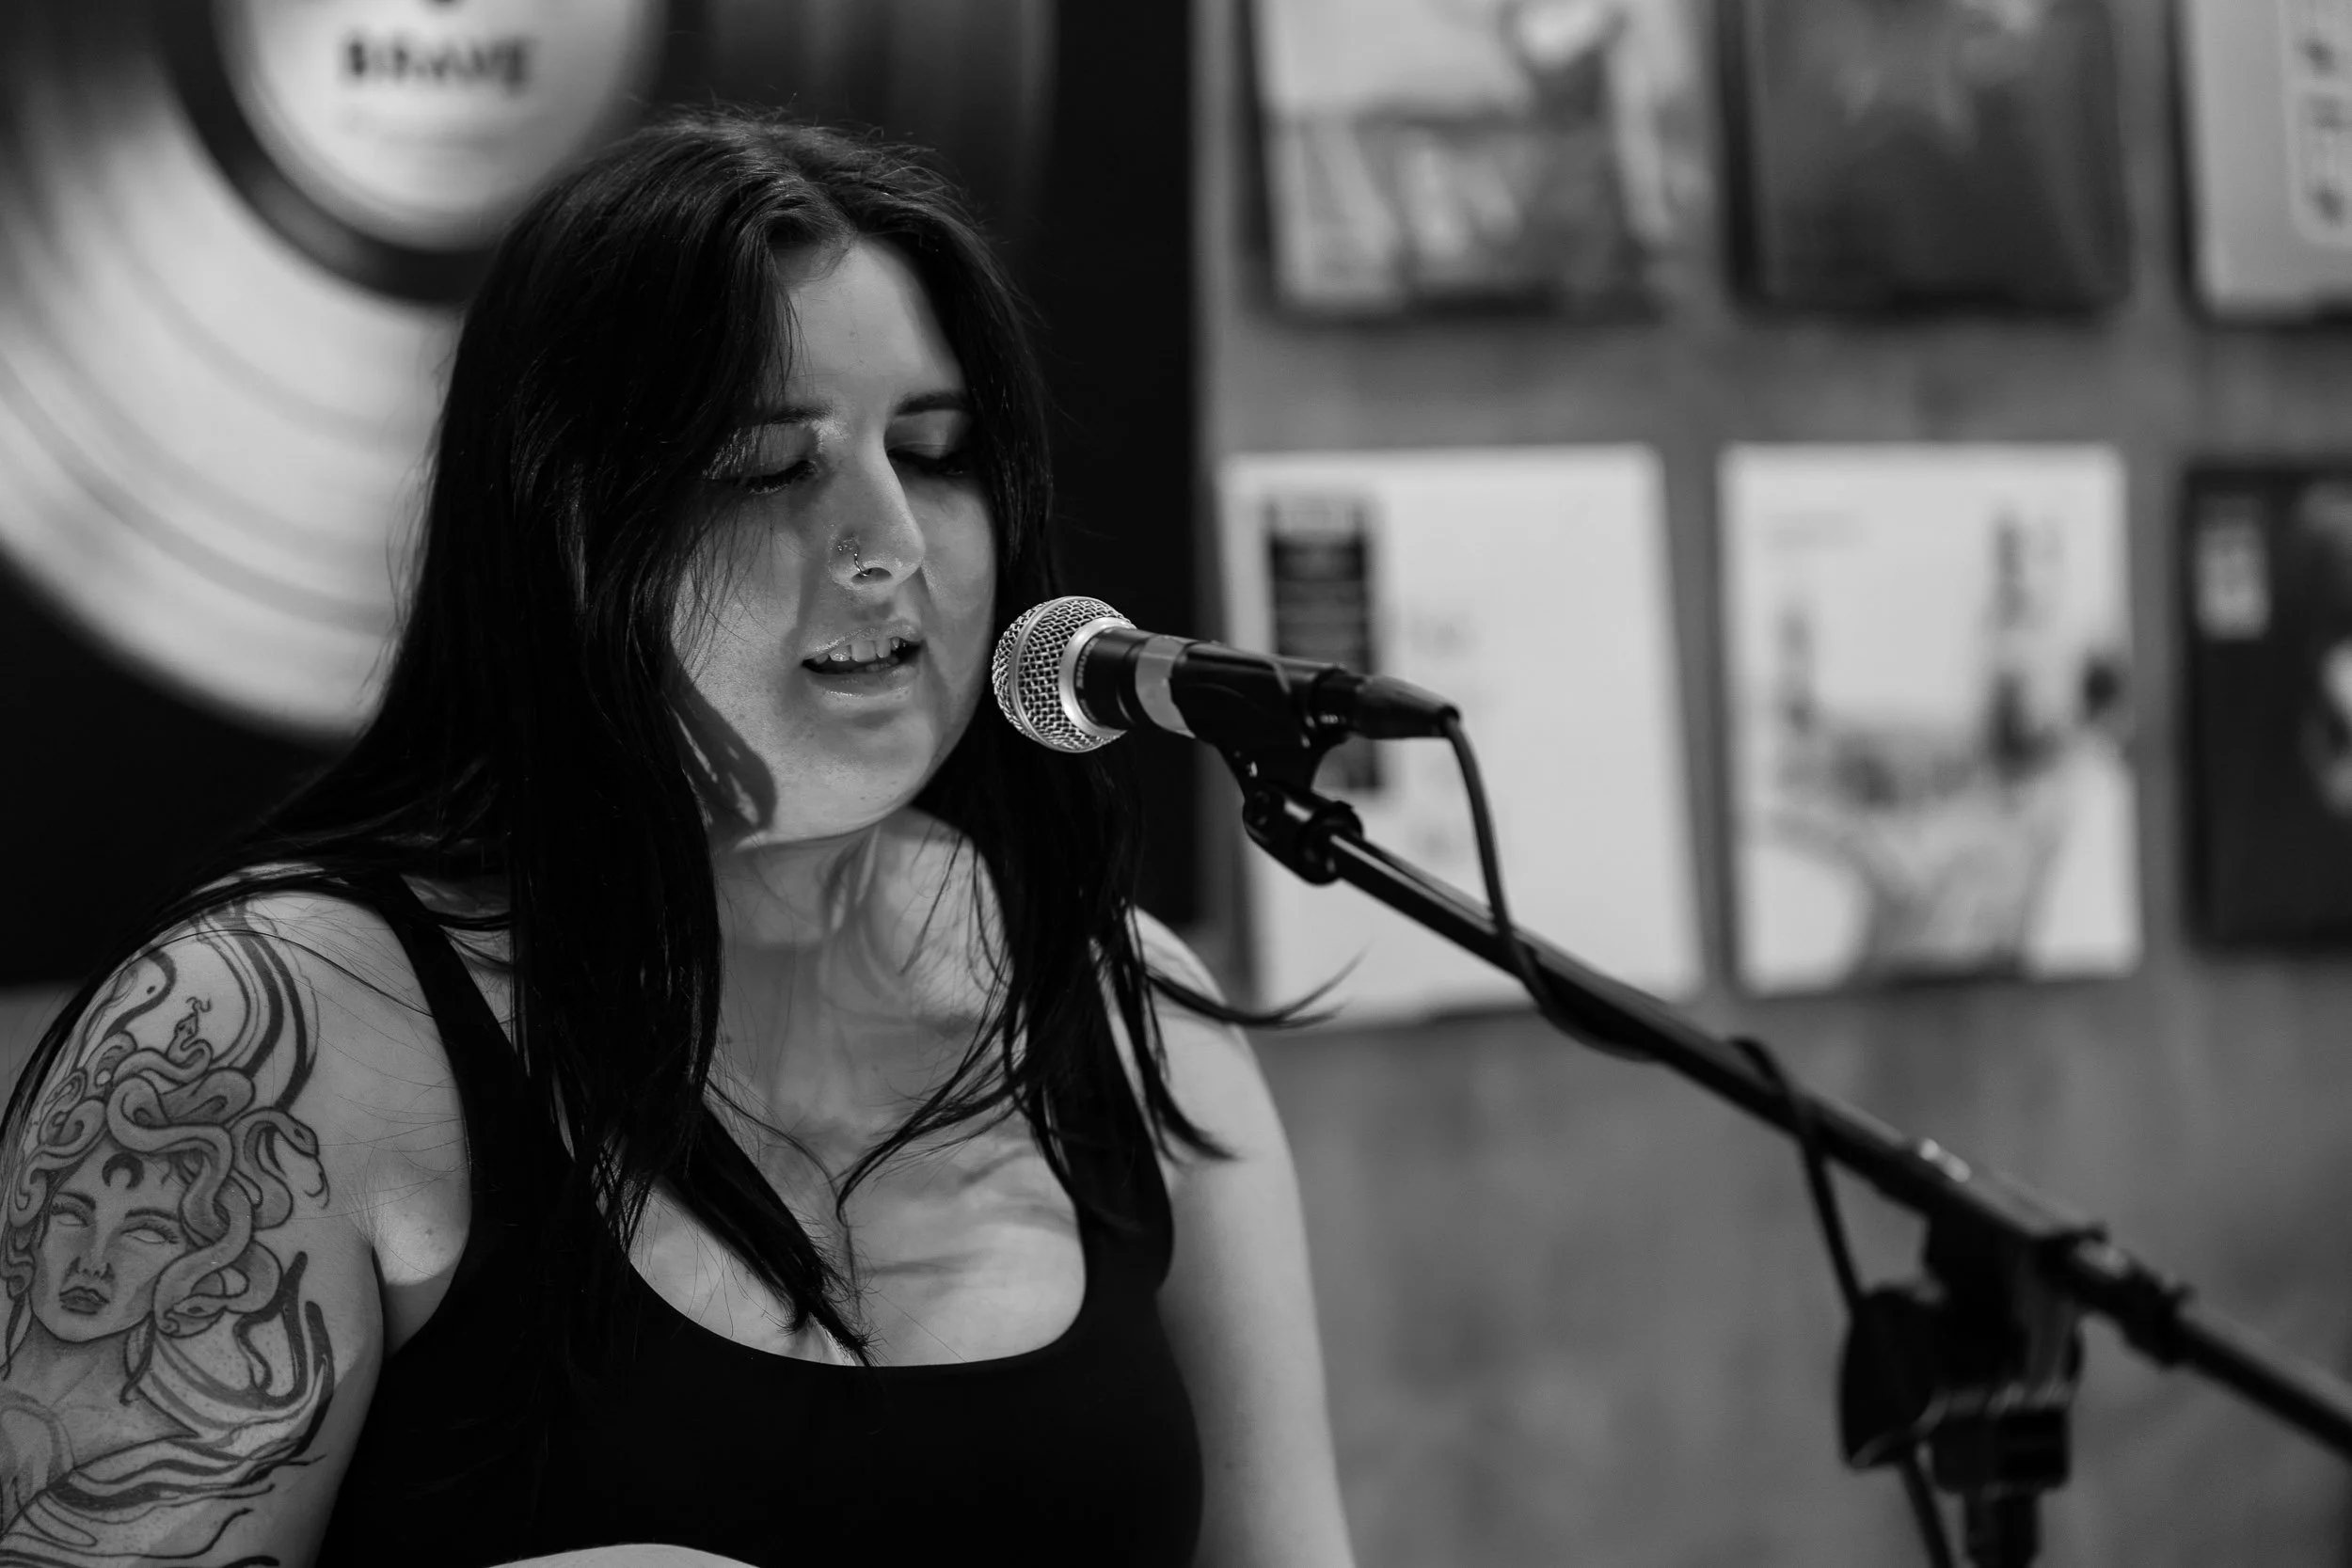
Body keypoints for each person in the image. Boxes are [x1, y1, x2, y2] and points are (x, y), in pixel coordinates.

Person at [0, 107, 1357, 1567]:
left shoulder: (1127, 1002)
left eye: (937, 451)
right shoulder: (252, 1039)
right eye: (771, 465)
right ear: (565, 526)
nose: (891, 539)